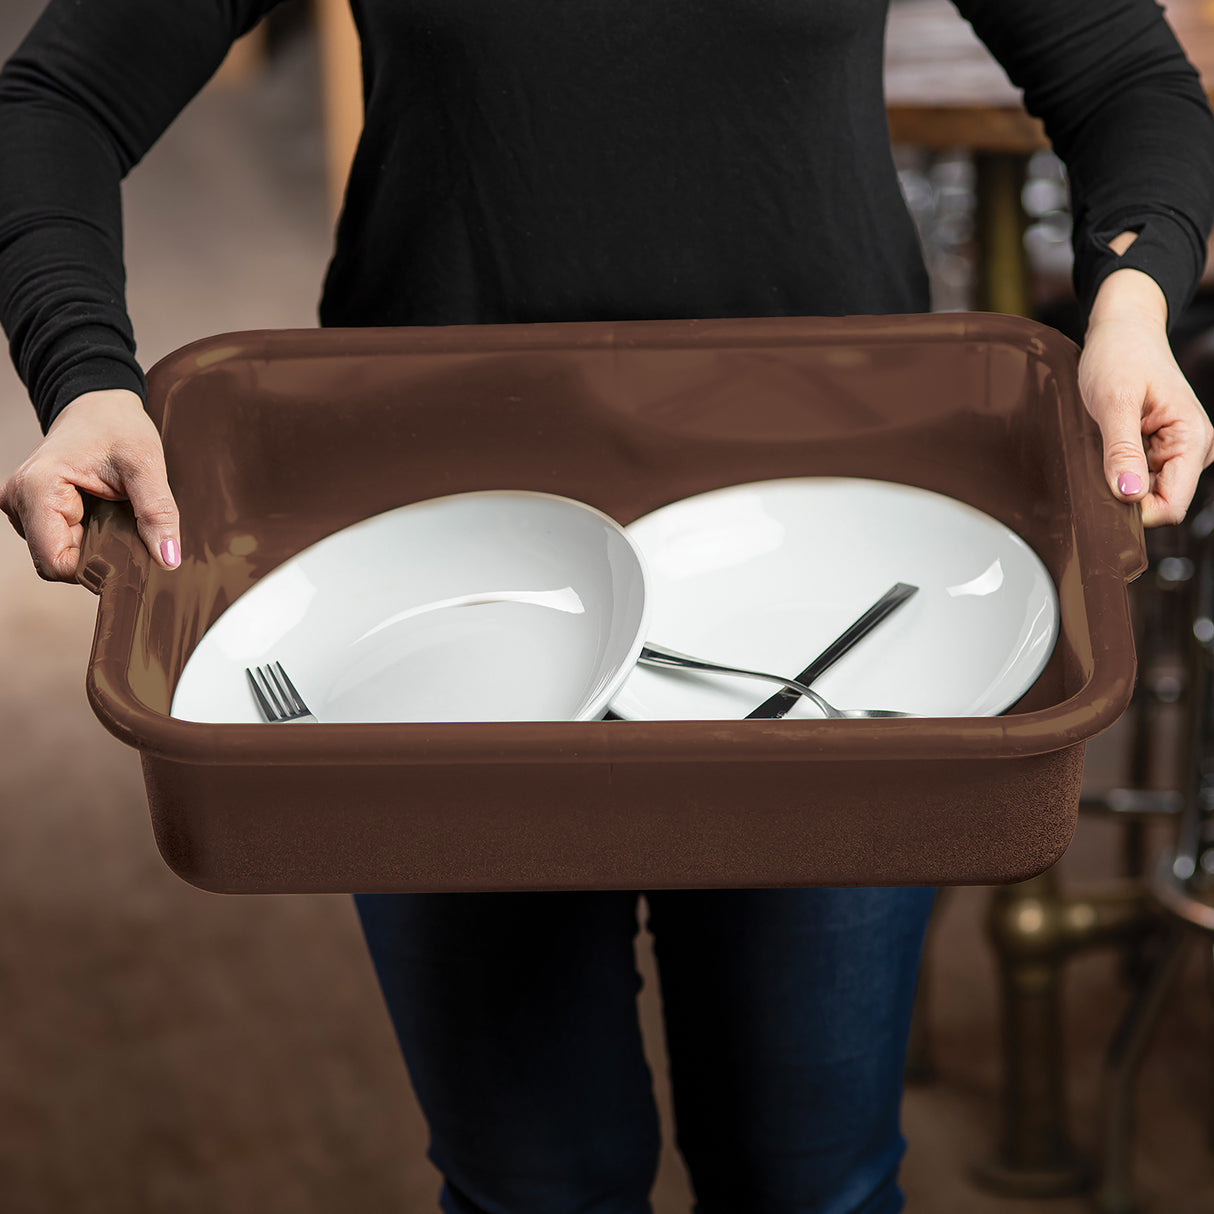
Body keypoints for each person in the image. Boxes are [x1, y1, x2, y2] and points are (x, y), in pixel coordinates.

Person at [1, 2, 1212, 1211]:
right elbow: (57, 100)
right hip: (442, 569)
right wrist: (84, 372)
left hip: (830, 556)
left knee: (808, 1180)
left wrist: (1130, 304)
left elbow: (1120, 72)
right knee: (532, 1183)